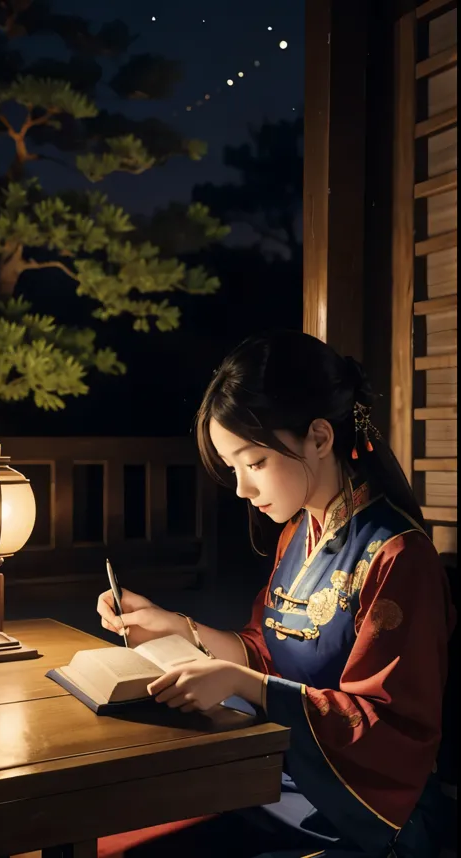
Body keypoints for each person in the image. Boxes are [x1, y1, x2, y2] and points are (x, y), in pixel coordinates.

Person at [97, 331, 455, 858]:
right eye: (234, 467)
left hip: (366, 815)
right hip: (284, 779)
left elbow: (391, 732)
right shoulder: (300, 533)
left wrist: (253, 687)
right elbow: (266, 651)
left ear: (319, 437)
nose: (241, 488)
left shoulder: (397, 556)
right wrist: (178, 626)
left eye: (255, 463)